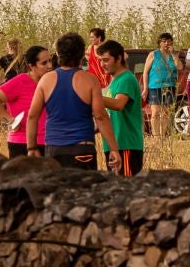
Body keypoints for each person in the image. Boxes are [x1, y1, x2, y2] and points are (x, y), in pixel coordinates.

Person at [28, 31, 114, 171]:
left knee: (58, 191)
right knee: (84, 191)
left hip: (54, 149)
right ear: (81, 55)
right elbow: (100, 117)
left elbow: (32, 116)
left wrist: (31, 147)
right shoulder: (90, 80)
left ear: (57, 54)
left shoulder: (46, 80)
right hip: (82, 148)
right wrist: (113, 149)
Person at [0, 43, 51, 158]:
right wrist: (10, 120)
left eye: (50, 61)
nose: (50, 65)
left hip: (49, 143)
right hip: (22, 144)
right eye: (44, 63)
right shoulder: (21, 81)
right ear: (32, 66)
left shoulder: (51, 82)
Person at [98, 39, 145, 176]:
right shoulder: (114, 81)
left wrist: (93, 97)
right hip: (114, 146)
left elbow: (118, 104)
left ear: (118, 58)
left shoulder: (126, 79)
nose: (102, 65)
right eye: (101, 60)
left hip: (125, 144)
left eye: (106, 60)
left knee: (127, 189)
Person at [144, 32, 179, 137]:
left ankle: (162, 135)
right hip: (155, 86)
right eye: (164, 41)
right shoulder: (153, 54)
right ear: (159, 43)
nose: (166, 43)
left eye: (168, 41)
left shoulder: (174, 55)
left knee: (166, 113)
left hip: (170, 86)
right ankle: (156, 136)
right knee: (155, 112)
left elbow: (180, 67)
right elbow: (145, 72)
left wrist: (173, 54)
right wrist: (146, 88)